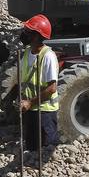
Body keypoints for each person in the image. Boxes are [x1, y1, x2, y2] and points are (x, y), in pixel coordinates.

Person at [17, 15, 59, 164]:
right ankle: (33, 173)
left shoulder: (48, 56)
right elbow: (25, 80)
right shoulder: (28, 53)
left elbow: (51, 89)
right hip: (31, 109)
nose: (24, 33)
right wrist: (22, 99)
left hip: (45, 111)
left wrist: (30, 102)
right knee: (33, 147)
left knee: (46, 149)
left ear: (37, 36)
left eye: (28, 31)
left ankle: (47, 175)